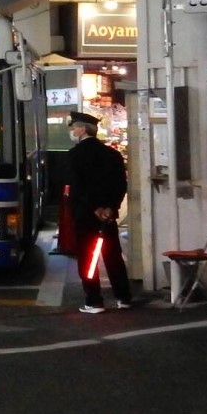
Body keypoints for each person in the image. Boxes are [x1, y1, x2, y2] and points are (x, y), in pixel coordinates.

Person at [66, 111, 133, 313]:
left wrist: (94, 207)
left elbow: (78, 187)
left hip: (85, 213)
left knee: (88, 257)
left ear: (83, 129)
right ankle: (124, 297)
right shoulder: (112, 154)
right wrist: (110, 207)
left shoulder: (74, 155)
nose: (72, 131)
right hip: (108, 215)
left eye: (74, 127)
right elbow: (121, 184)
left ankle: (94, 300)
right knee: (113, 255)